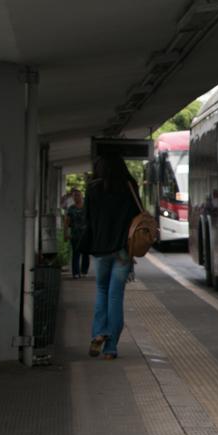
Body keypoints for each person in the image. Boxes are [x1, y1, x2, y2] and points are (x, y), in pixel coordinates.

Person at [80, 153, 141, 360]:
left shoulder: (92, 189)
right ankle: (111, 348)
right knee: (115, 296)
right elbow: (138, 217)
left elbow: (86, 219)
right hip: (123, 251)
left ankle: (98, 333)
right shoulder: (129, 186)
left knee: (101, 291)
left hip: (100, 250)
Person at [63, 188, 89, 278]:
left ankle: (84, 271)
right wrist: (65, 234)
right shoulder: (71, 209)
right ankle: (76, 273)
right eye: (74, 196)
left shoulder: (86, 207)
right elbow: (66, 221)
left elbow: (91, 220)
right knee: (76, 254)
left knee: (86, 253)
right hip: (75, 235)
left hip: (86, 234)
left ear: (82, 196)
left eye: (78, 195)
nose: (76, 198)